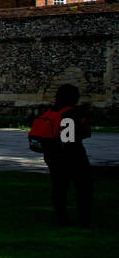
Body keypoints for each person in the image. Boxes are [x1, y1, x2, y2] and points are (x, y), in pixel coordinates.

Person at [32, 84, 93, 227]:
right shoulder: (72, 113)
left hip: (52, 155)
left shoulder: (52, 111)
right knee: (84, 187)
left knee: (59, 187)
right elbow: (71, 137)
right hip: (72, 156)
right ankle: (84, 219)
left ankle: (62, 218)